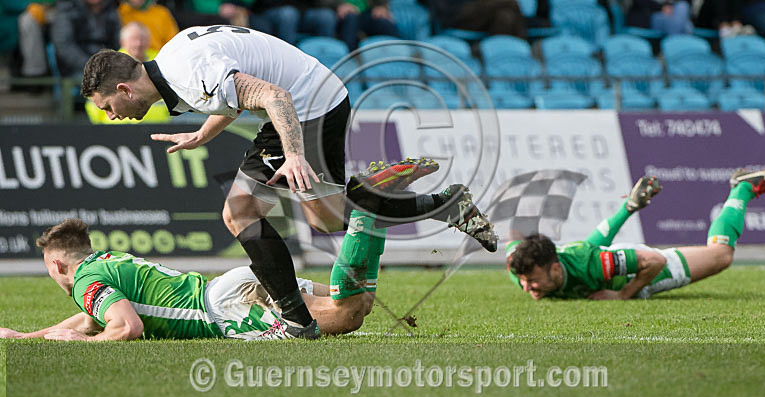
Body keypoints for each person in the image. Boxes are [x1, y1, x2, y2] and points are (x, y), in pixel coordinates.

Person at [79, 26, 497, 339]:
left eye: (108, 106)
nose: (112, 114)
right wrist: (201, 135)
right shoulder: (171, 64)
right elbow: (233, 96)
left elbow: (274, 96)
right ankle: (445, 206)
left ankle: (298, 321)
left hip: (309, 107)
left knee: (268, 215)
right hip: (301, 104)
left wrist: (295, 154)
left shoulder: (188, 74)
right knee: (310, 217)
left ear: (122, 88)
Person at [0, 212, 385, 341]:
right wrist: (29, 336)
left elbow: (125, 326)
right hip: (227, 287)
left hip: (226, 308)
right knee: (359, 302)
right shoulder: (106, 262)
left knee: (347, 314)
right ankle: (374, 221)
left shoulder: (86, 282)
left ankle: (363, 218)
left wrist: (83, 344)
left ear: (56, 266)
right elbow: (93, 318)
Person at [506, 169, 765, 300]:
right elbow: (514, 236)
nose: (528, 288)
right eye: (524, 281)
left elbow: (652, 260)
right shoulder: (520, 268)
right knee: (588, 251)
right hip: (591, 256)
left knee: (721, 256)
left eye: (532, 282)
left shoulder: (594, 264)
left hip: (638, 274)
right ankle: (629, 206)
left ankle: (742, 188)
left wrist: (623, 295)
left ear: (555, 268)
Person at [85, 22, 171, 124]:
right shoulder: (108, 66)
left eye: (142, 39)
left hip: (159, 126)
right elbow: (95, 100)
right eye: (134, 39)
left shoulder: (160, 60)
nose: (138, 43)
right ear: (122, 41)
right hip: (117, 130)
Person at [50, 0, 120, 77]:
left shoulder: (111, 8)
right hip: (77, 68)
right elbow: (64, 46)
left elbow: (117, 42)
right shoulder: (67, 9)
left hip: (108, 64)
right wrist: (91, 65)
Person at [627, 0, 694, 36]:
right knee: (686, 26)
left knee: (682, 5)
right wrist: (661, 8)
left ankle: (673, 48)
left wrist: (671, 7)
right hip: (649, 16)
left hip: (673, 16)